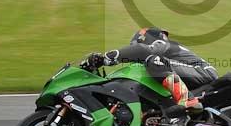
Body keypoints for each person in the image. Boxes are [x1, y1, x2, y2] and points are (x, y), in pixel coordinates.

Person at [82, 27, 218, 118]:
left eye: (135, 44)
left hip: (202, 72)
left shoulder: (162, 44)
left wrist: (105, 59)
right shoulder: (164, 58)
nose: (133, 49)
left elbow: (142, 51)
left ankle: (187, 99)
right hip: (193, 75)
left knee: (152, 60)